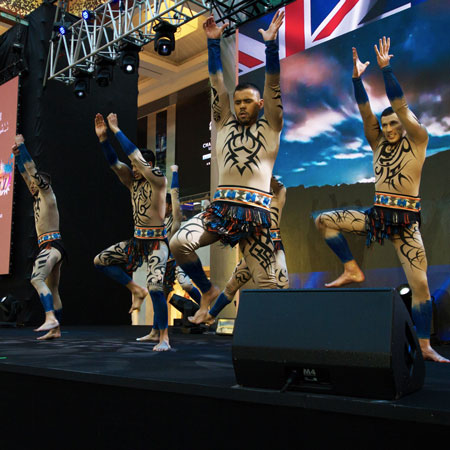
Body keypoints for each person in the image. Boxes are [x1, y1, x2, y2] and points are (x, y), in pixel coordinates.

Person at [314, 37, 448, 363]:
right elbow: (364, 112)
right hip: (377, 216)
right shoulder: (377, 144)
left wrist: (386, 71)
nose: (388, 128)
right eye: (385, 123)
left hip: (405, 223)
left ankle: (426, 345)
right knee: (324, 220)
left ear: (403, 125)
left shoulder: (418, 140)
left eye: (393, 123)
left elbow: (400, 104)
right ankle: (351, 269)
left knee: (421, 287)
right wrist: (356, 80)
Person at [170, 11, 285, 324]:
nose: (241, 107)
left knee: (267, 285)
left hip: (255, 215)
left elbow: (273, 84)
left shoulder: (271, 127)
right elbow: (216, 83)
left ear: (260, 105)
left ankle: (277, 346)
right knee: (178, 243)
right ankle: (207, 291)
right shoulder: (223, 124)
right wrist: (212, 44)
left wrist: (271, 47)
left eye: (248, 102)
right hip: (221, 210)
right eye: (238, 102)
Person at [94, 113, 170, 351]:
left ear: (148, 166)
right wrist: (104, 139)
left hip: (157, 242)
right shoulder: (132, 182)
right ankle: (136, 289)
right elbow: (115, 163)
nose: (134, 169)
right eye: (134, 168)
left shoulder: (158, 179)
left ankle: (164, 337)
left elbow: (133, 155)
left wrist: (116, 130)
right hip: (138, 243)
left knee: (157, 287)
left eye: (138, 166)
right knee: (101, 261)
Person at [203, 176, 289, 323]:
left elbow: (280, 188)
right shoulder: (250, 202)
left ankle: (281, 325)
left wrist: (268, 176)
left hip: (273, 249)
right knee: (231, 286)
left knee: (280, 288)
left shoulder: (275, 197)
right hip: (256, 250)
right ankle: (210, 317)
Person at [136, 165, 202, 341]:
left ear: (169, 206)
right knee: (159, 296)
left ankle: (205, 308)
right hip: (161, 262)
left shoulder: (175, 219)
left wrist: (174, 173)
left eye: (164, 204)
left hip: (175, 260)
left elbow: (174, 194)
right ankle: (155, 331)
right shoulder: (158, 221)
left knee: (185, 285)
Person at [12, 134, 65, 340]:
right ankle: (56, 330)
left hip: (51, 246)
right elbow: (26, 175)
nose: (30, 184)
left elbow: (32, 171)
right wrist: (17, 157)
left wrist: (22, 147)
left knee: (36, 278)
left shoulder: (47, 193)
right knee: (53, 288)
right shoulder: (37, 197)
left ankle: (50, 317)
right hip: (54, 246)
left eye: (35, 182)